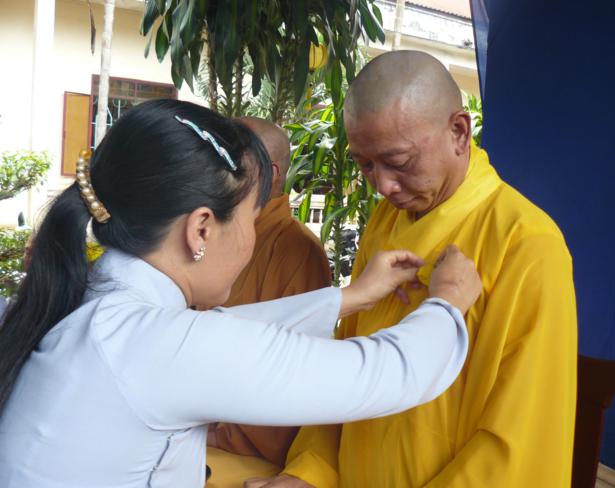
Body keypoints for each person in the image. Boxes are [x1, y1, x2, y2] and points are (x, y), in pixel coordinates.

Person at [0, 99, 482, 488]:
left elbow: (216, 333)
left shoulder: (91, 298)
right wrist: (447, 303)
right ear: (201, 229)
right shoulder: (159, 345)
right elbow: (385, 373)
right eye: (252, 218)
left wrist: (349, 298)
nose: (254, 236)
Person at [253, 51, 577, 488]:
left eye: (400, 162)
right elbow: (346, 366)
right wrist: (310, 471)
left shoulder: (526, 244)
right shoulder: (385, 223)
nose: (384, 186)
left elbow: (518, 443)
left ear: (459, 132)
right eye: (365, 164)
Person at [206, 117, 332, 483]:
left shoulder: (295, 250)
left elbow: (293, 378)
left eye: (229, 160)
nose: (212, 167)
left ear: (269, 173)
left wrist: (212, 431)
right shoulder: (209, 232)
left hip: (241, 452)